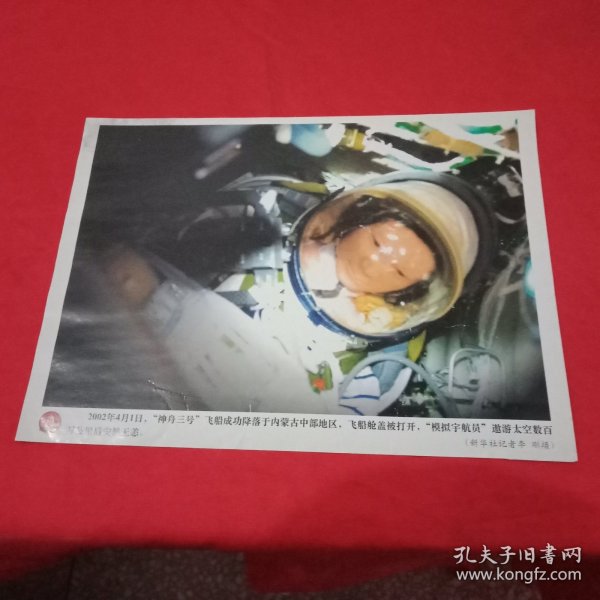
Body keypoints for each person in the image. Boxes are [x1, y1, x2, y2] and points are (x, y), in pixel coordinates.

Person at [299, 195, 439, 333]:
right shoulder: (310, 253)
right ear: (358, 225)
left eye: (399, 272)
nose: (371, 268)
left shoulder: (364, 313)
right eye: (376, 243)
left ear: (404, 290)